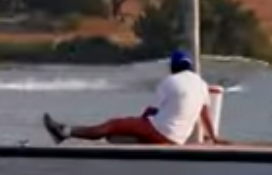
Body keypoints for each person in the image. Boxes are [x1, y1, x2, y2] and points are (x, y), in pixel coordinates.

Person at [43, 49, 224, 146]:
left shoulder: (170, 81)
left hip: (161, 132)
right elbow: (205, 114)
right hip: (179, 138)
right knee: (126, 128)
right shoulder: (201, 84)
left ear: (173, 66)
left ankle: (65, 132)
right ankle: (133, 138)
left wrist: (136, 126)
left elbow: (150, 112)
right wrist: (214, 138)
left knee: (113, 125)